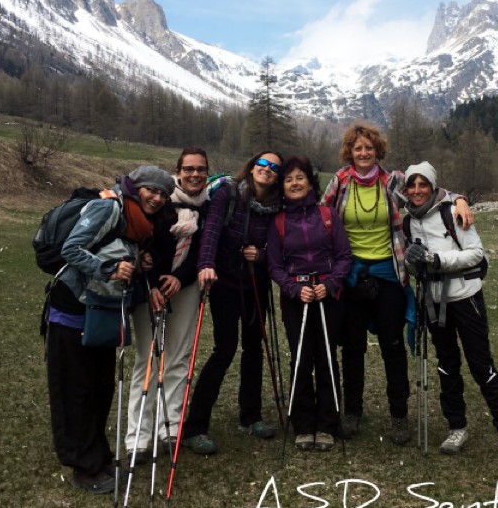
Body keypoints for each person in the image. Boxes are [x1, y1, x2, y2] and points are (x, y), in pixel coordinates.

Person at [321, 122, 472, 445]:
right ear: (350, 152)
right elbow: (321, 217)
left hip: (389, 273)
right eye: (358, 148)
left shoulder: (393, 182)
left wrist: (459, 199)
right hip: (350, 275)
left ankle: (399, 416)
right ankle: (352, 411)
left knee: (392, 347)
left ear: (378, 152)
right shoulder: (340, 181)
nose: (363, 153)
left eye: (369, 148)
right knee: (352, 347)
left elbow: (430, 192)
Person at [44, 165, 175, 494]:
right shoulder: (110, 207)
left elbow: (115, 249)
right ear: (135, 188)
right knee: (75, 390)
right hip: (72, 309)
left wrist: (137, 261)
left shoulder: (136, 222)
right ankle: (83, 467)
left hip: (101, 311)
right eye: (151, 190)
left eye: (163, 193)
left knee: (98, 389)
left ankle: (98, 457)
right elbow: (71, 250)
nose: (157, 198)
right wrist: (109, 268)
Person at [402, 161, 498, 467]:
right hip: (433, 300)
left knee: (481, 365)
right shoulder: (408, 221)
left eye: (423, 185)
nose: (417, 191)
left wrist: (435, 259)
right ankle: (456, 427)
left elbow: (476, 253)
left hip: (465, 297)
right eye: (412, 186)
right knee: (447, 365)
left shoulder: (452, 213)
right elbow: (412, 263)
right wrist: (411, 259)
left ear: (433, 187)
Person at [181, 150, 284, 454]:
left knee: (254, 348)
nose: (267, 169)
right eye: (262, 163)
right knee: (224, 350)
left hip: (255, 283)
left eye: (274, 167)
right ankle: (195, 426)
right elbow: (211, 231)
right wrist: (205, 265)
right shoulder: (227, 193)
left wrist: (262, 256)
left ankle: (250, 416)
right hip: (225, 281)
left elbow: (277, 247)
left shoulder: (278, 205)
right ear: (252, 167)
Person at [124, 148, 211, 463]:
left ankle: (170, 427)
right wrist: (155, 283)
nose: (194, 175)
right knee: (147, 360)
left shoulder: (209, 206)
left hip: (185, 287)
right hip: (152, 288)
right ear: (179, 171)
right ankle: (138, 437)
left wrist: (180, 278)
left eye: (200, 169)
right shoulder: (160, 200)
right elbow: (146, 246)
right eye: (188, 169)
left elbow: (204, 249)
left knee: (178, 357)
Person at [267, 156, 352, 451]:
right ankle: (303, 423)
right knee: (301, 357)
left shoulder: (327, 215)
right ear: (283, 187)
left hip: (328, 294)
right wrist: (293, 288)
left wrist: (329, 285)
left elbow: (344, 256)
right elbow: (275, 265)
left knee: (326, 357)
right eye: (289, 179)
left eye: (300, 178)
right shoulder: (278, 221)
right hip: (296, 297)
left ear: (310, 182)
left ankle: (328, 423)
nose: (294, 183)